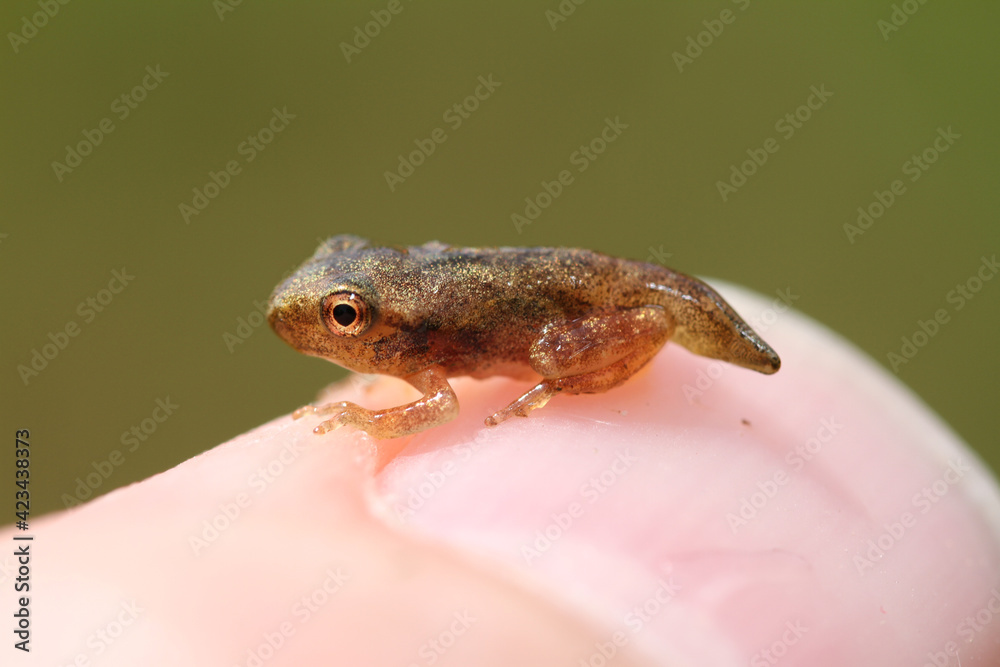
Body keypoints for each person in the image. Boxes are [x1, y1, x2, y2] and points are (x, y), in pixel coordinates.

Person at [8, 285, 1000, 666]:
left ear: (387, 323)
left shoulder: (427, 350)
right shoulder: (416, 328)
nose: (319, 327)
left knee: (581, 353)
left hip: (597, 311)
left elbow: (439, 404)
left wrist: (363, 410)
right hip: (574, 289)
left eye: (344, 315)